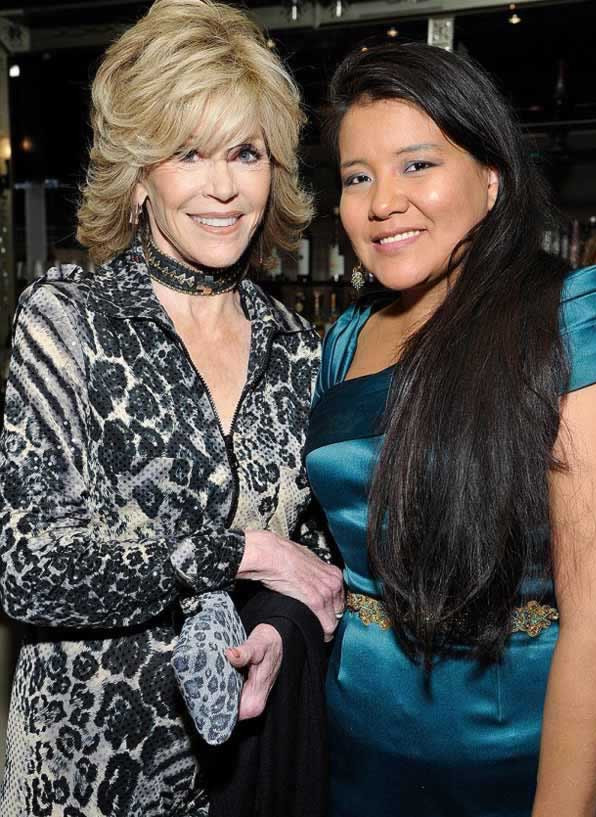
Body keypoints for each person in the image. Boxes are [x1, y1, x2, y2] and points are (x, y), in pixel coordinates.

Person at [0, 1, 343, 814]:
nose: (223, 186)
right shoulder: (69, 320)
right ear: (139, 176)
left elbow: (312, 560)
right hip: (82, 773)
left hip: (245, 776)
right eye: (188, 153)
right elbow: (26, 568)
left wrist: (275, 631)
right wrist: (239, 552)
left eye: (245, 152)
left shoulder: (299, 349)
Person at [305, 42, 596, 817]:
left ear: (491, 178)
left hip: (519, 758)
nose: (383, 202)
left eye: (417, 165)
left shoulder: (572, 318)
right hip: (356, 748)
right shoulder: (346, 338)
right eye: (357, 177)